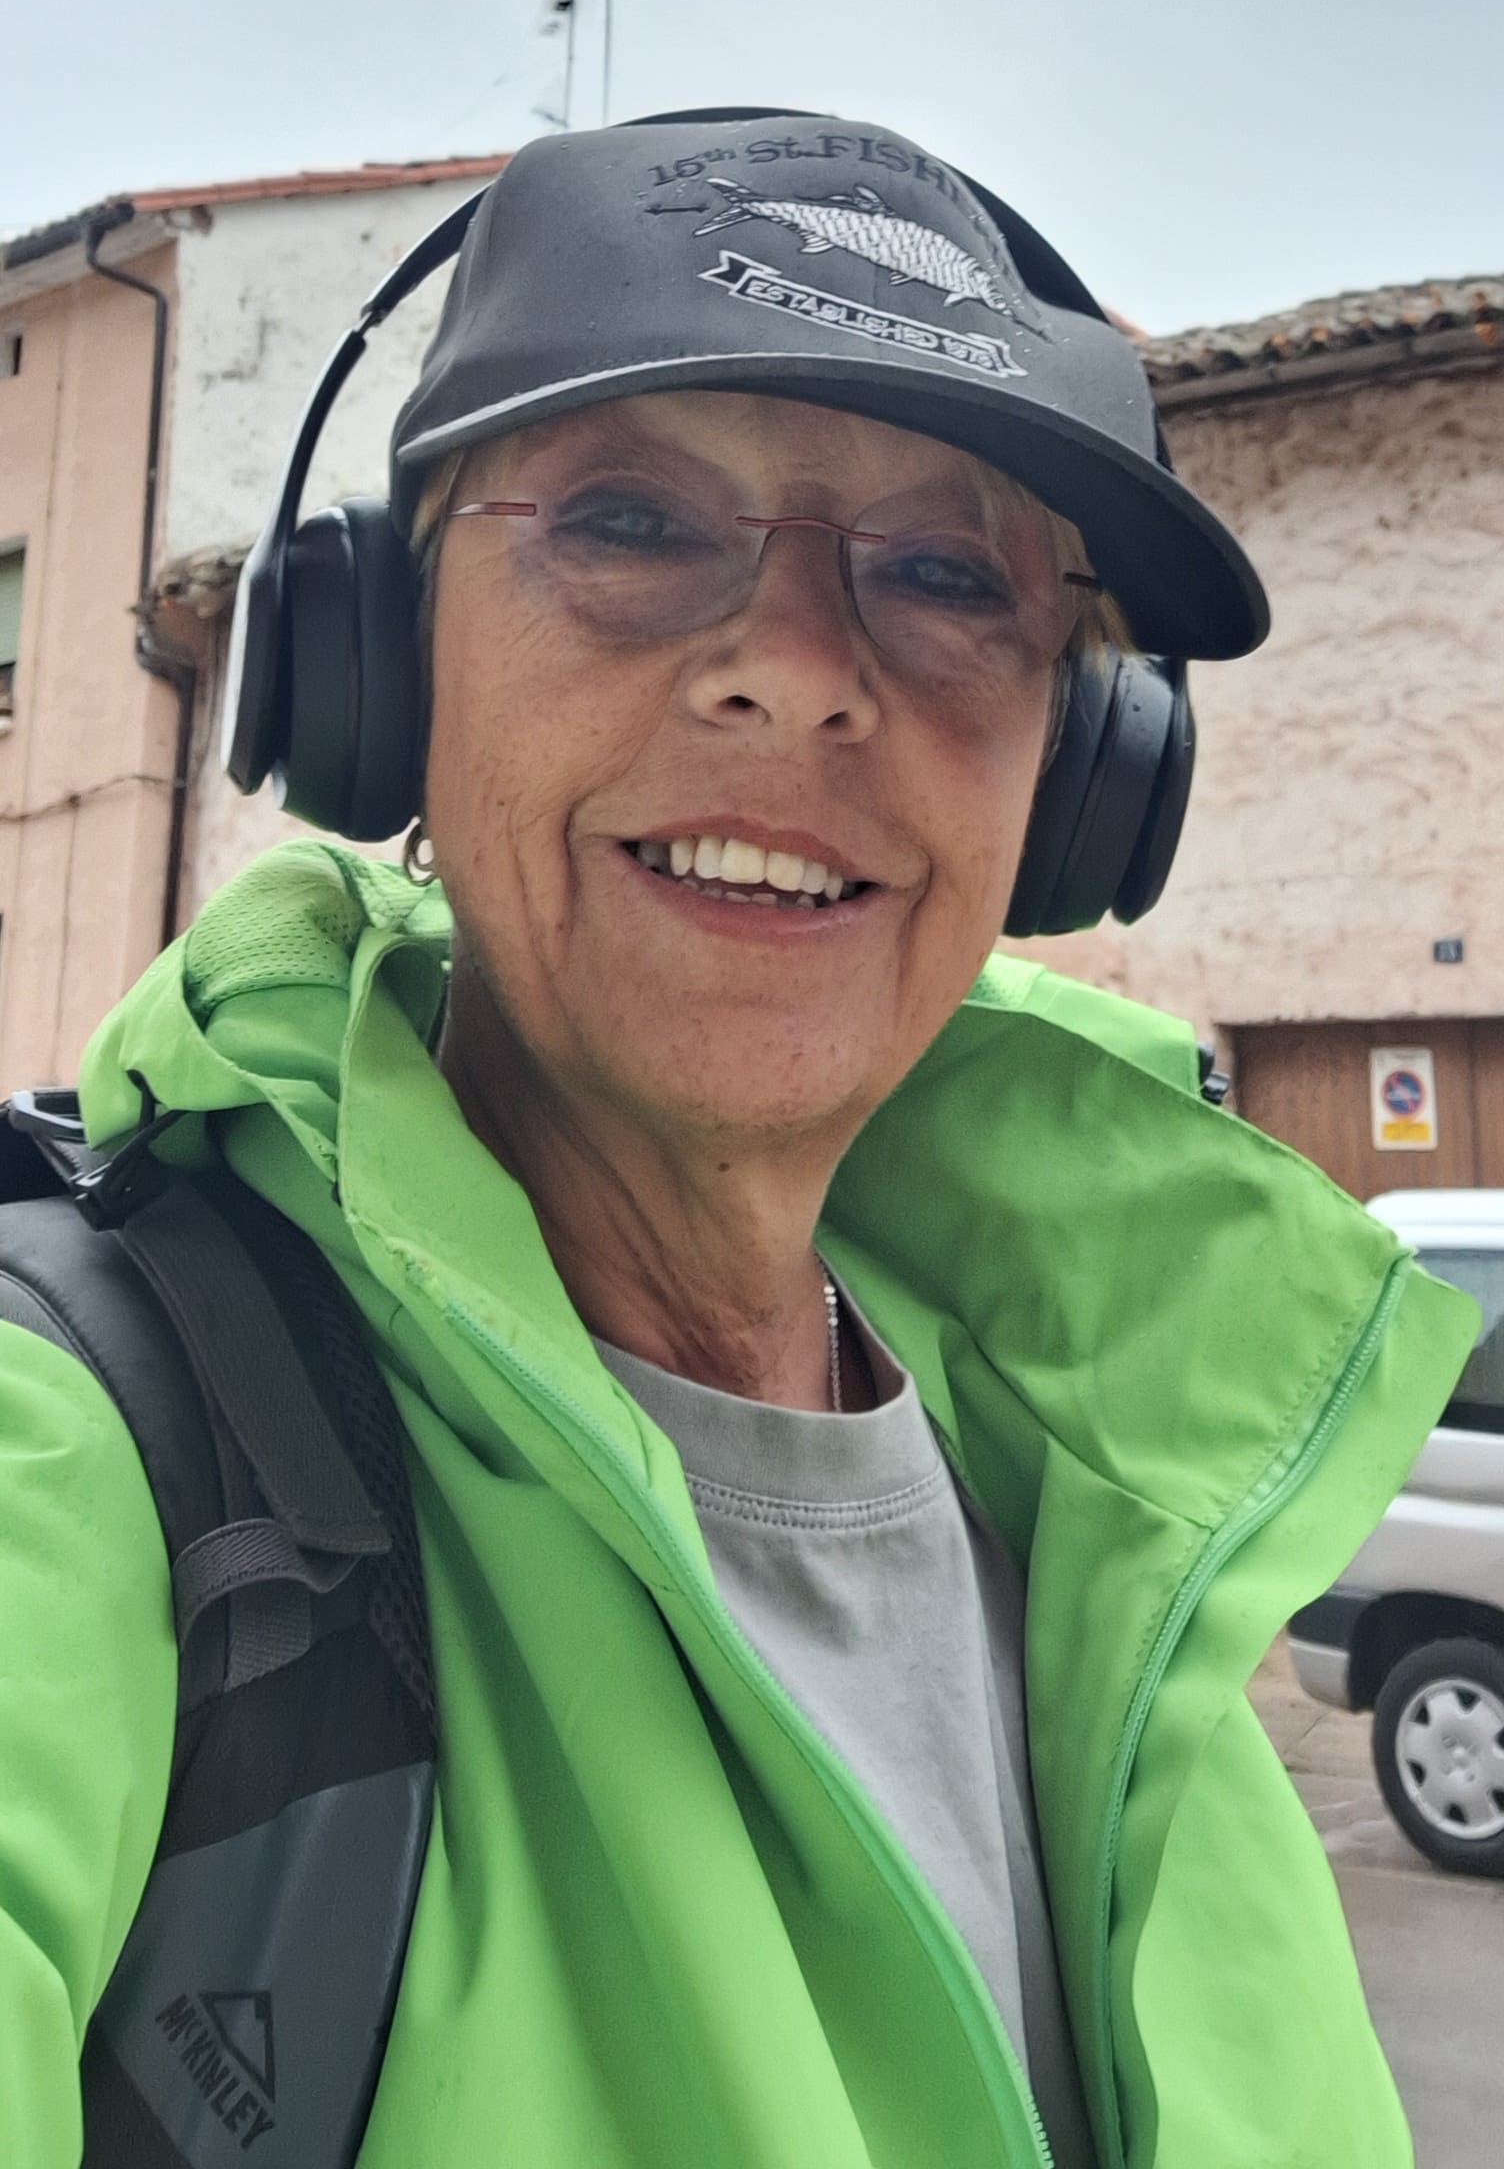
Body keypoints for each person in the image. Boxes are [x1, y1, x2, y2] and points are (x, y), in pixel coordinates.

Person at [0, 109, 1472, 2169]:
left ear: (1076, 777)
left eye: (944, 573)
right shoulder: (79, 1452)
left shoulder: (1123, 1521)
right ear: (384, 673)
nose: (792, 674)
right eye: (627, 522)